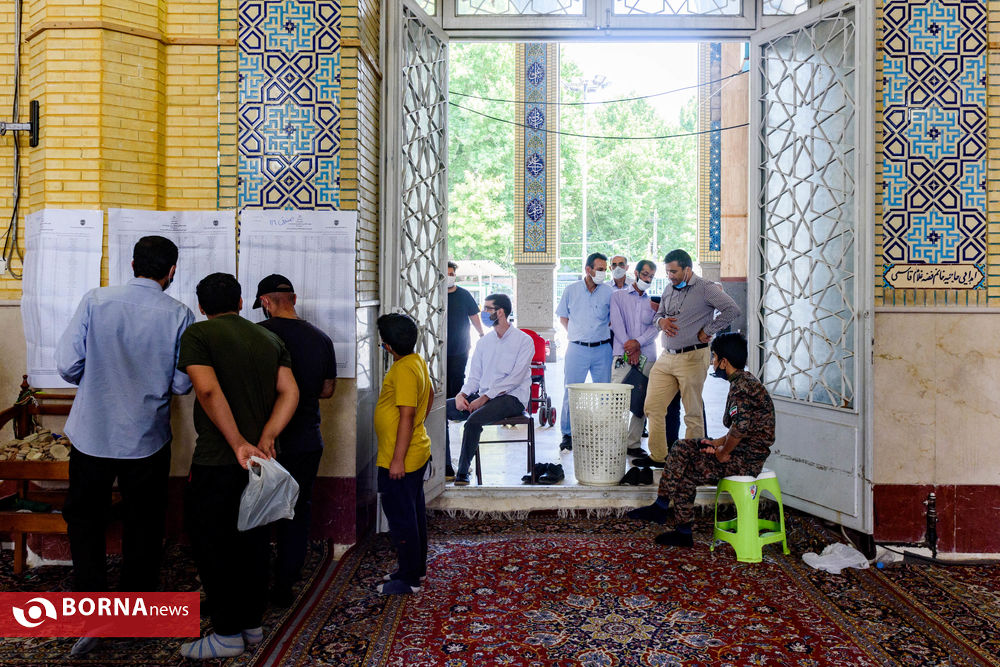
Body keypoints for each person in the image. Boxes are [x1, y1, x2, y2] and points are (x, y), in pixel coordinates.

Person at [56, 236, 195, 657]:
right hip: (146, 437)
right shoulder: (179, 314)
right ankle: (135, 615)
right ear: (171, 272)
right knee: (144, 524)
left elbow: (67, 364)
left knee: (85, 520)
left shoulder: (96, 300)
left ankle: (92, 611)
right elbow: (182, 384)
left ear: (132, 264)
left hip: (93, 432)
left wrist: (98, 378)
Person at [177, 273, 299, 660]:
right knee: (253, 543)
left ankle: (227, 633)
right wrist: (267, 437)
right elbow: (290, 391)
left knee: (215, 547)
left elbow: (206, 389)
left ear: (201, 307)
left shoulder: (199, 335)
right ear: (242, 301)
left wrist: (237, 444)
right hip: (259, 463)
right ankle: (251, 625)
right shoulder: (268, 338)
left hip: (218, 460)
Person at [627, 333, 775, 548]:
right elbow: (741, 428)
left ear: (724, 362)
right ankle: (661, 506)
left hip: (746, 460)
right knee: (681, 446)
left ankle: (681, 530)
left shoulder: (742, 388)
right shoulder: (744, 381)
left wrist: (723, 453)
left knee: (687, 470)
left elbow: (740, 429)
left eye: (714, 358)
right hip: (740, 451)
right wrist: (717, 444)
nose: (712, 363)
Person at [254, 274, 337, 608]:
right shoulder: (321, 338)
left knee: (258, 509)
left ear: (265, 302)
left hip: (264, 441)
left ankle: (256, 581)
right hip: (306, 438)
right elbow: (328, 390)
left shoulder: (257, 335)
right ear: (294, 299)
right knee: (297, 509)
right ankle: (286, 582)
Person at [642, 249, 740, 466]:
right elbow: (658, 315)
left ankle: (691, 461)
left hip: (692, 357)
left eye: (674, 271)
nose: (670, 276)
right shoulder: (669, 288)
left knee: (693, 413)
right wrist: (661, 322)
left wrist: (709, 329)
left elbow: (732, 310)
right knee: (653, 407)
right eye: (668, 271)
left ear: (687, 269)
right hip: (666, 357)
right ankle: (658, 457)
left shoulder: (706, 288)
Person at [446, 294, 534, 486]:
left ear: (500, 312)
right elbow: (474, 377)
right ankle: (446, 468)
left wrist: (485, 397)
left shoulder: (524, 341)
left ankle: (463, 473)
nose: (483, 313)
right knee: (441, 411)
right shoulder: (484, 342)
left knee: (473, 420)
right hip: (484, 397)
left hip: (512, 398)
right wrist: (462, 394)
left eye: (487, 309)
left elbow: (515, 379)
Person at [374, 313, 433, 595]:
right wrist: (420, 421)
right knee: (413, 513)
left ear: (388, 346)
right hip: (413, 453)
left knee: (401, 518)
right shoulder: (416, 361)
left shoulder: (403, 370)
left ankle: (409, 580)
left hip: (401, 460)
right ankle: (415, 568)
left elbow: (406, 415)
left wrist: (397, 460)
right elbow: (430, 393)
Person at [609, 259, 673, 458]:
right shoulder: (618, 296)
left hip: (647, 356)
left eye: (651, 276)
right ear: (635, 273)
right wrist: (630, 345)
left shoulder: (654, 303)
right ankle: (614, 443)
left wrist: (638, 342)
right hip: (622, 354)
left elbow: (656, 327)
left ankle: (633, 444)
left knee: (642, 402)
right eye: (645, 274)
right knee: (617, 401)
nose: (648, 279)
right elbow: (616, 323)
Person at [555, 252, 614, 451]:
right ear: (588, 269)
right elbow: (563, 317)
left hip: (602, 349)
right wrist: (577, 333)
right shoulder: (571, 290)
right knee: (571, 392)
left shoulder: (609, 292)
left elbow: (613, 319)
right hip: (576, 349)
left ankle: (604, 433)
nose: (603, 273)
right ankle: (568, 434)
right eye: (599, 269)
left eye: (605, 270)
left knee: (605, 393)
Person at [446, 261, 484, 399]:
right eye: (447, 274)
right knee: (443, 378)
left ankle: (456, 405)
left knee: (457, 376)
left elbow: (474, 316)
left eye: (452, 274)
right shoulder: (436, 295)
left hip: (461, 345)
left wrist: (481, 334)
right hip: (440, 346)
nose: (450, 276)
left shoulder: (464, 294)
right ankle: (443, 406)